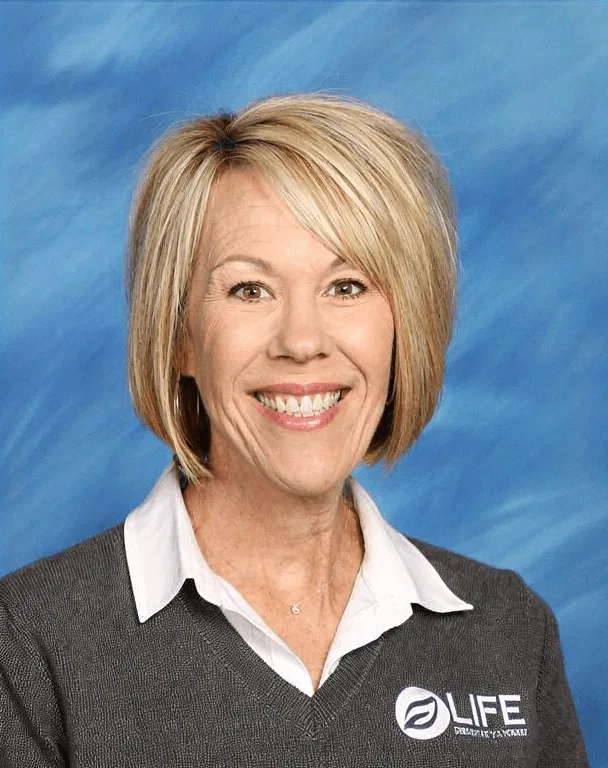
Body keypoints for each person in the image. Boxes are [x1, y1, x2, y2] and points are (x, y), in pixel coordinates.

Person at [0, 92, 588, 766]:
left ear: (403, 325)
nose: (303, 342)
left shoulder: (508, 632)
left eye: (347, 286)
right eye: (250, 290)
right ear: (180, 336)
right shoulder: (29, 646)